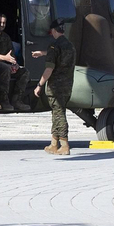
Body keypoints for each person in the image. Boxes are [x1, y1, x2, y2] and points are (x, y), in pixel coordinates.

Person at [32, 20, 76, 155]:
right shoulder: (69, 46)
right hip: (67, 85)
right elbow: (59, 55)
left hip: (56, 87)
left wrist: (39, 85)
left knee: (59, 113)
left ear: (54, 31)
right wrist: (43, 53)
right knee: (56, 113)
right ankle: (54, 144)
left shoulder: (54, 46)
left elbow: (49, 69)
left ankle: (64, 144)